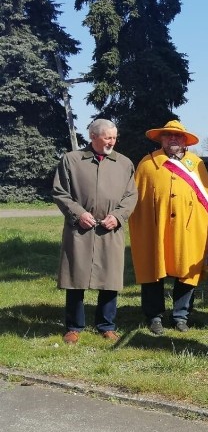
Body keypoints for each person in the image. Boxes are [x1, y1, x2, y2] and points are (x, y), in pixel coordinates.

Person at [52, 119, 138, 345]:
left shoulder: (124, 163)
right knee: (75, 277)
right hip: (79, 228)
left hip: (110, 229)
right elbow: (60, 192)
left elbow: (131, 196)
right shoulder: (72, 160)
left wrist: (118, 217)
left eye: (114, 137)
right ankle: (73, 326)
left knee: (110, 277)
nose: (113, 141)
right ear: (93, 137)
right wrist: (78, 214)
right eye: (107, 137)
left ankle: (107, 325)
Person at [129, 120, 208, 335]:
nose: (173, 139)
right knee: (153, 270)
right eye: (168, 135)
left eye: (177, 136)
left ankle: (181, 315)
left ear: (185, 140)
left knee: (186, 271)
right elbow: (136, 198)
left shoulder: (196, 164)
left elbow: (206, 198)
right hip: (155, 228)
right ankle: (154, 316)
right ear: (161, 138)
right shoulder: (148, 163)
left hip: (187, 229)